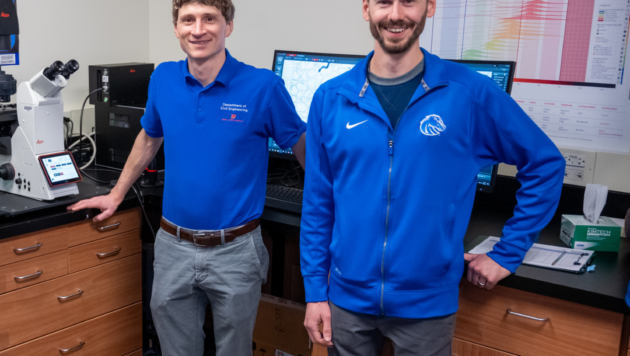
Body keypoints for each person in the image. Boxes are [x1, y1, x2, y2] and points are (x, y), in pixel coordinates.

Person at [300, 0, 565, 355]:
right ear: (366, 9)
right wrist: (316, 292)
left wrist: (506, 254)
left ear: (430, 7)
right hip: (346, 302)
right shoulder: (331, 98)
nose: (396, 14)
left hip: (428, 306)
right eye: (383, 2)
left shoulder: (468, 94)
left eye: (408, 1)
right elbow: (318, 203)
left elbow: (545, 164)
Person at [68, 0, 306, 355]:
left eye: (210, 18)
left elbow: (302, 147)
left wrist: (329, 205)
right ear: (176, 28)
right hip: (173, 246)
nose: (198, 29)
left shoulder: (263, 86)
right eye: (188, 20)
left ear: (229, 25)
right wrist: (116, 194)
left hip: (236, 250)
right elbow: (150, 136)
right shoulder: (163, 77)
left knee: (234, 350)